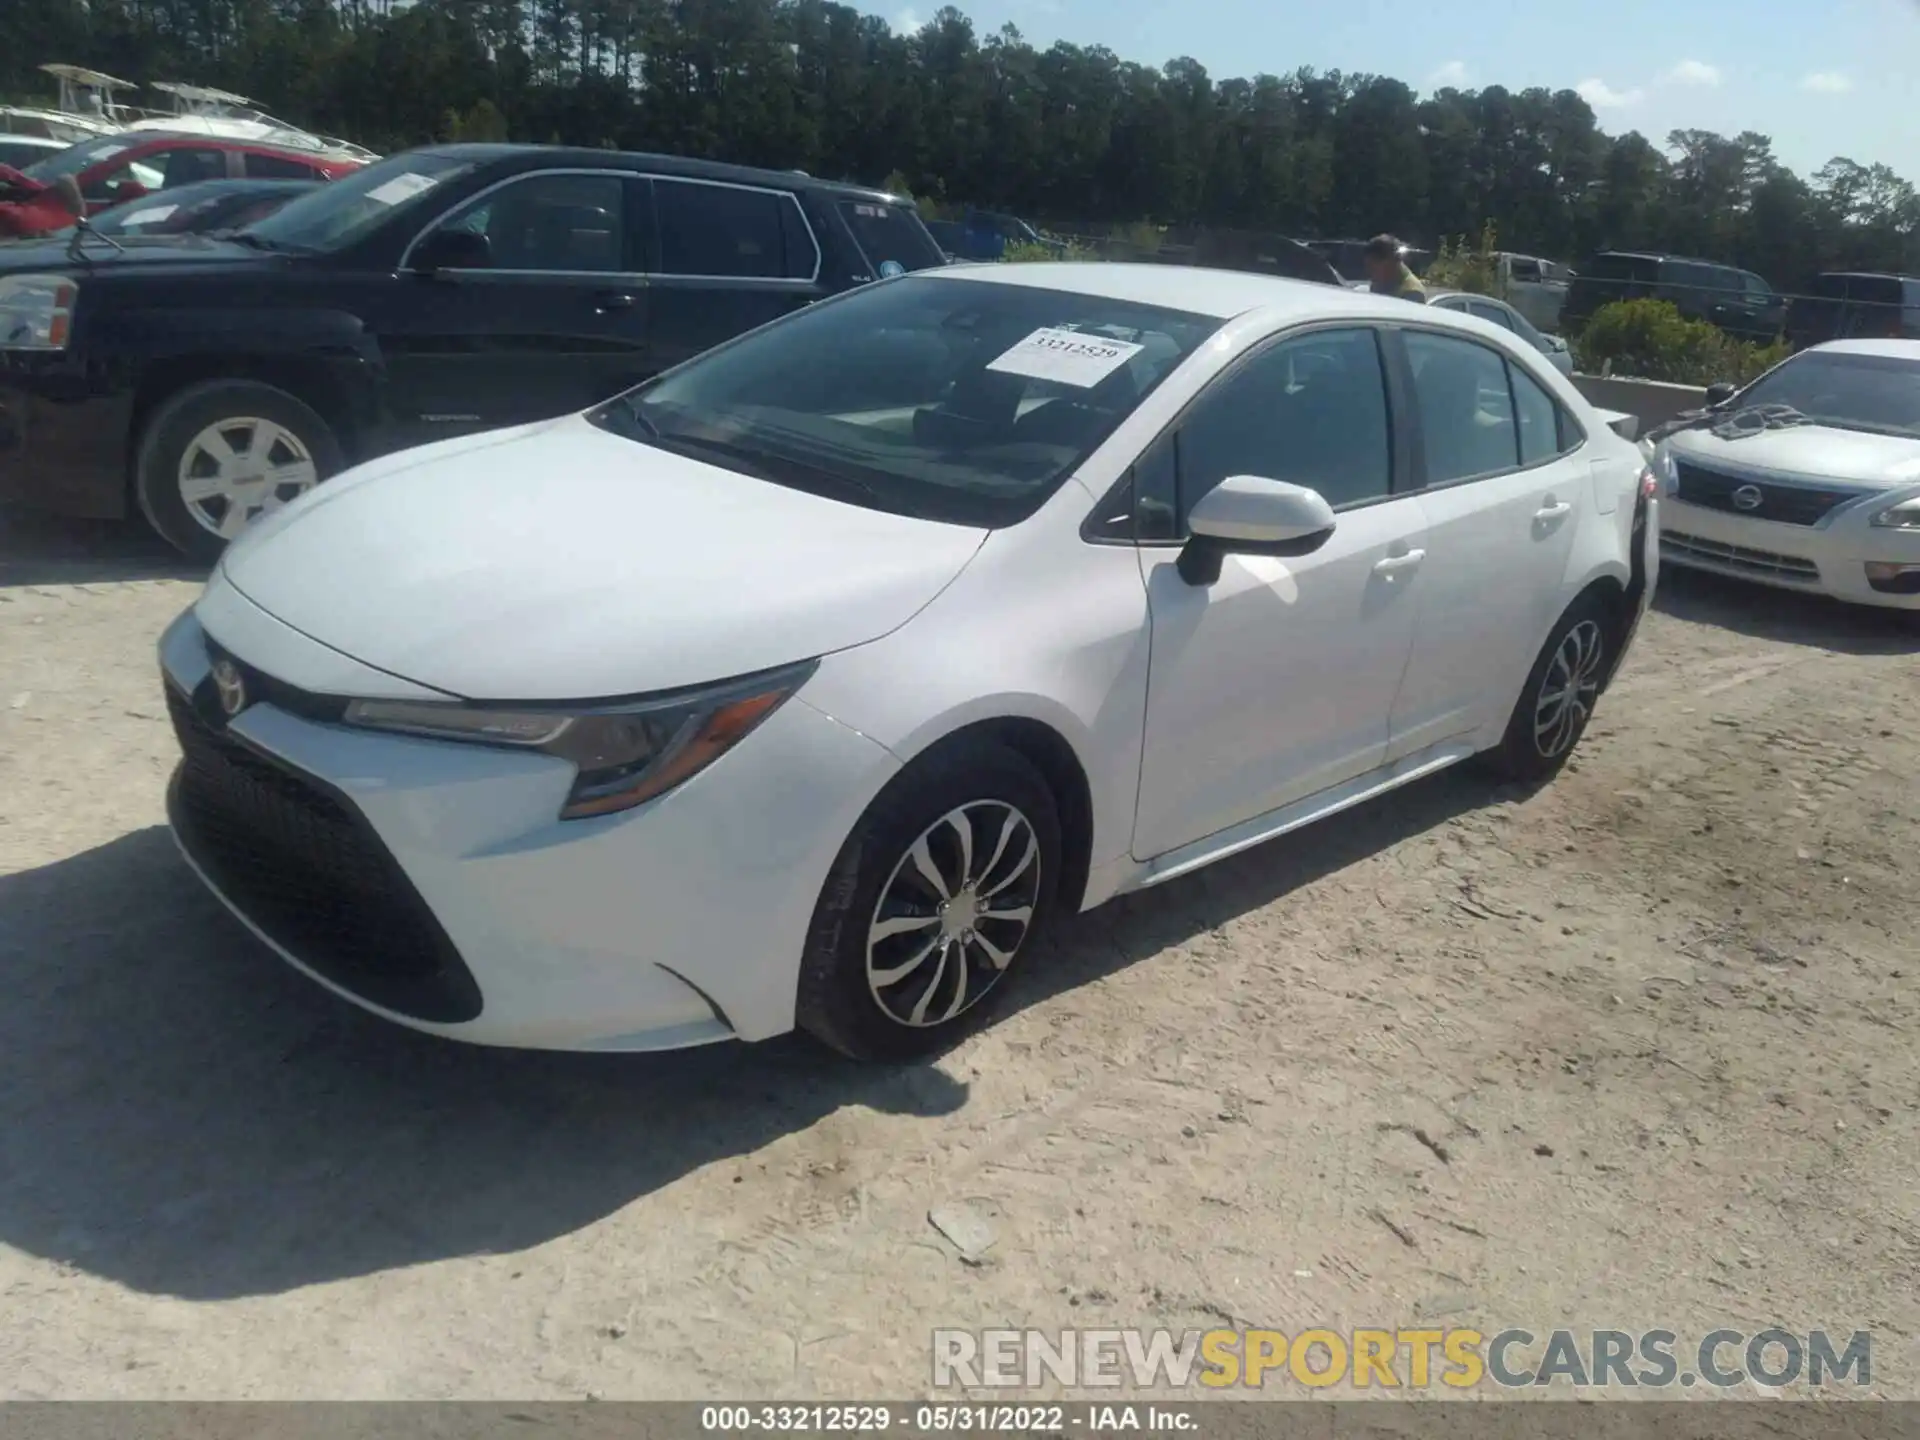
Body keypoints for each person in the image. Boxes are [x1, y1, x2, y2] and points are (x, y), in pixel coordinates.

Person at [1363, 235, 1426, 304]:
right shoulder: (1381, 282)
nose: (1368, 271)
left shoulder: (1412, 293)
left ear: (1391, 262)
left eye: (1372, 267)